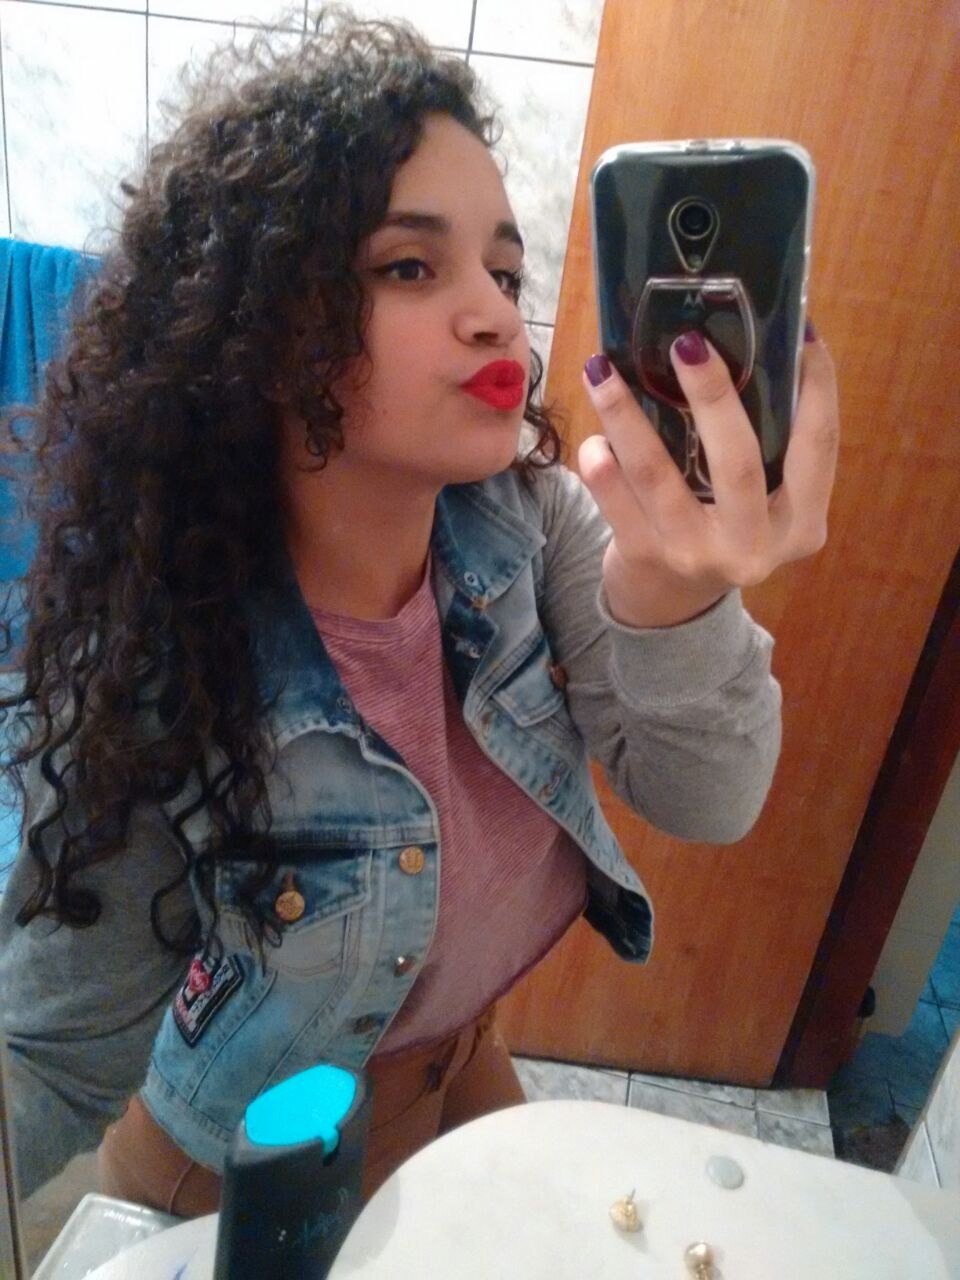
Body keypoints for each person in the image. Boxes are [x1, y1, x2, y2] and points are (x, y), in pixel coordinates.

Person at [0, 5, 838, 1215]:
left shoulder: (532, 522)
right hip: (245, 1162)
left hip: (463, 1061)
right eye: (411, 266)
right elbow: (42, 1059)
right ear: (259, 327)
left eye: (505, 270)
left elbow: (708, 800)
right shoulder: (164, 659)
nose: (498, 312)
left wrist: (680, 596)